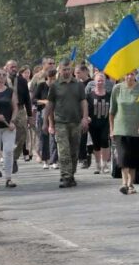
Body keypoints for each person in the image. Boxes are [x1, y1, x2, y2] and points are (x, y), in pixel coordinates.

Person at [45, 60, 89, 188]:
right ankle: (65, 176)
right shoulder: (55, 86)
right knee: (63, 150)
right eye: (64, 69)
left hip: (75, 122)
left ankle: (71, 174)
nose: (66, 72)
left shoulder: (78, 85)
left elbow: (83, 102)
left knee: (74, 151)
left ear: (71, 70)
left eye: (68, 69)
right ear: (59, 70)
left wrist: (85, 118)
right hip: (61, 122)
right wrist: (47, 123)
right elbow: (50, 104)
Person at [110, 69, 139, 194]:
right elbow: (112, 111)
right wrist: (111, 129)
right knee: (123, 157)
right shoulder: (117, 89)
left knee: (133, 159)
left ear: (135, 75)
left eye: (132, 74)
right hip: (120, 129)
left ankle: (130, 184)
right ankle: (124, 183)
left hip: (136, 129)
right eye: (127, 74)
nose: (129, 76)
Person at [5, 60, 32, 170]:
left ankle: (14, 158)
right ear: (6, 68)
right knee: (6, 136)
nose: (14, 69)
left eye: (15, 67)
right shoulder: (3, 80)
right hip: (6, 111)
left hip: (20, 110)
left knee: (23, 135)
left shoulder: (22, 81)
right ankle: (7, 158)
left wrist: (30, 116)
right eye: (11, 67)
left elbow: (27, 99)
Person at [86, 71, 113, 174]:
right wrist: (86, 117)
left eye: (102, 80)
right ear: (94, 82)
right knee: (96, 144)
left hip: (105, 122)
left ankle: (105, 164)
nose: (100, 82)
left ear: (105, 82)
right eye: (98, 81)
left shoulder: (109, 95)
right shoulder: (89, 96)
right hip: (93, 123)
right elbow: (85, 108)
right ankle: (97, 165)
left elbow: (112, 109)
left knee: (104, 142)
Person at [75, 63, 93, 169]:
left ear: (85, 71)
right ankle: (82, 158)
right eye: (75, 73)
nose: (76, 75)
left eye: (78, 73)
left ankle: (89, 154)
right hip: (80, 114)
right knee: (82, 137)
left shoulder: (91, 83)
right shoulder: (76, 84)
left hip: (92, 112)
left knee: (92, 138)